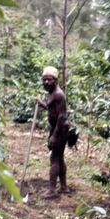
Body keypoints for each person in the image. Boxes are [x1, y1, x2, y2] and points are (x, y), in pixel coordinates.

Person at [37, 66, 69, 198]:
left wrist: (54, 136)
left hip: (60, 129)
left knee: (54, 158)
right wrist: (41, 104)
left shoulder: (58, 94)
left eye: (48, 80)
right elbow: (51, 109)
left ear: (55, 80)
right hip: (56, 128)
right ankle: (63, 187)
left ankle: (51, 190)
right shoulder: (52, 93)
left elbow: (62, 117)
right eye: (44, 80)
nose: (46, 82)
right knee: (59, 157)